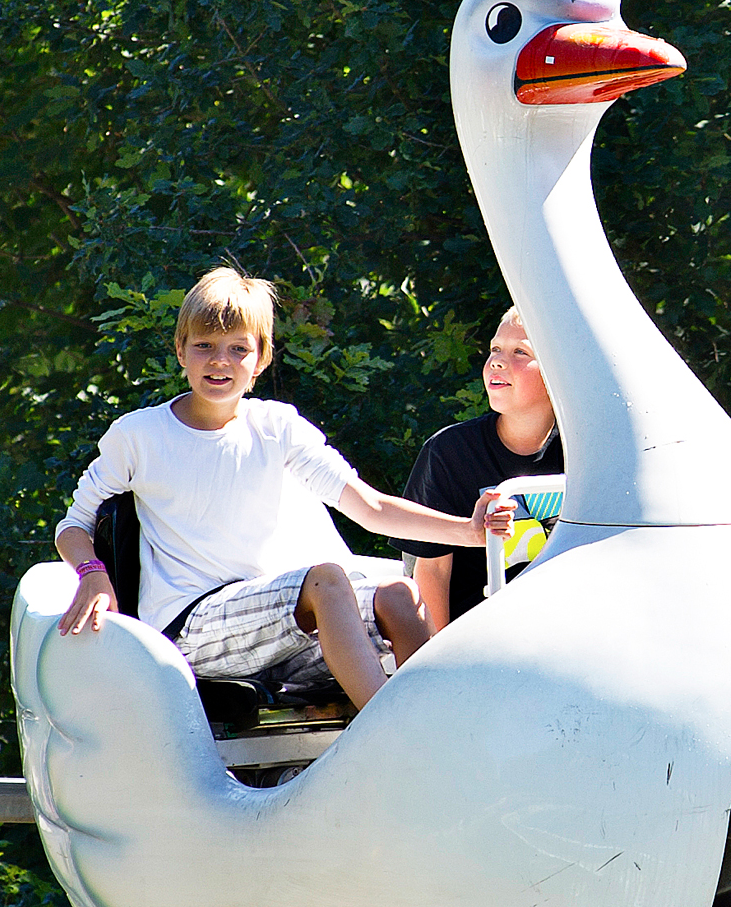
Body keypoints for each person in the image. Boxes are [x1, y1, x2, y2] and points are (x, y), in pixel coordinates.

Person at [51, 267, 501, 714]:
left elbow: (370, 506)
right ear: (180, 351)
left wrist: (471, 531)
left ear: (261, 360)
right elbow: (73, 525)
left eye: (238, 349)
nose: (219, 361)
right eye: (204, 346)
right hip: (192, 628)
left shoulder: (276, 426)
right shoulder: (139, 434)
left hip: (279, 621)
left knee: (401, 593)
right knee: (326, 578)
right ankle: (392, 736)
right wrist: (92, 572)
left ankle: (440, 726)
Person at [397, 305, 566, 632]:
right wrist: (438, 668)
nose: (498, 361)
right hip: (473, 640)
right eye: (495, 349)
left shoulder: (585, 451)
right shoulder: (449, 453)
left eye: (520, 352)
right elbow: (430, 573)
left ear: (558, 372)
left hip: (560, 633)